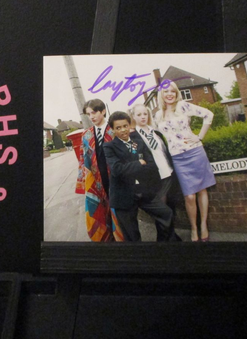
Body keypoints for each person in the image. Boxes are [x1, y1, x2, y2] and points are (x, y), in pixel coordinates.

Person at [154, 81, 216, 242]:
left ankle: (203, 225)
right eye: (166, 91)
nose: (169, 94)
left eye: (172, 91)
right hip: (177, 158)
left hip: (195, 152)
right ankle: (193, 228)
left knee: (202, 190)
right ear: (161, 94)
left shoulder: (183, 106)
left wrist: (199, 136)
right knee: (189, 196)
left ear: (176, 93)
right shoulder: (158, 115)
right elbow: (153, 134)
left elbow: (208, 115)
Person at [103, 111, 178, 242]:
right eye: (118, 128)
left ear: (129, 125)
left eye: (125, 126)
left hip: (143, 192)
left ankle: (164, 244)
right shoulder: (109, 146)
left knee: (166, 214)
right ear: (113, 129)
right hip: (123, 196)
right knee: (132, 236)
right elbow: (117, 170)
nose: (123, 130)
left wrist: (130, 167)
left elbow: (151, 165)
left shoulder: (138, 142)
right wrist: (139, 163)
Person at [129, 103, 182, 242]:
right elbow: (135, 156)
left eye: (145, 114)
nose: (143, 117)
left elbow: (164, 152)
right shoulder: (133, 137)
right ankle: (166, 239)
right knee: (162, 211)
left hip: (169, 173)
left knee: (170, 208)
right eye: (139, 114)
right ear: (133, 117)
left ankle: (169, 237)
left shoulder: (155, 132)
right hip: (155, 178)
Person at [75, 99, 115, 242]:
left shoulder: (114, 130)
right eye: (88, 114)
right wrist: (83, 181)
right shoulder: (86, 135)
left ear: (103, 111)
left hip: (115, 178)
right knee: (100, 211)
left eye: (94, 112)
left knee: (118, 213)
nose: (91, 117)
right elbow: (83, 159)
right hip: (97, 179)